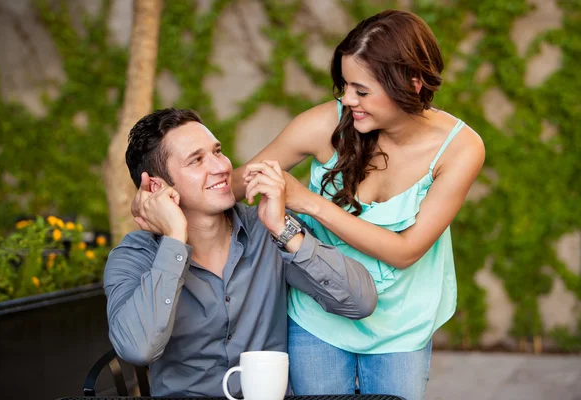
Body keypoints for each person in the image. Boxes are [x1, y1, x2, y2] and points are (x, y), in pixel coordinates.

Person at [236, 9, 485, 400]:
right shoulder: (326, 123)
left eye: (362, 90)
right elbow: (239, 182)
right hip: (317, 314)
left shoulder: (460, 148)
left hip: (401, 327)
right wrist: (168, 190)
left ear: (412, 83)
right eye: (345, 86)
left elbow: (405, 252)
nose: (348, 99)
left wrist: (309, 203)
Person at [104, 108, 377, 397]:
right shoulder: (133, 257)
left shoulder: (266, 229)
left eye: (217, 151)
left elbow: (360, 302)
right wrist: (174, 239)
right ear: (157, 186)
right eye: (196, 160)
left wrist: (284, 230)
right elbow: (137, 348)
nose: (221, 166)